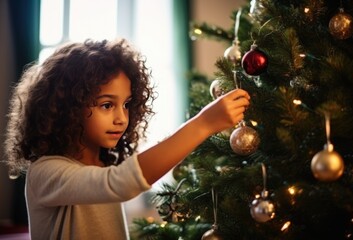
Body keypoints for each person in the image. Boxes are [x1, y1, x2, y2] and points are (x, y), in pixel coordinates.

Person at [4, 38, 250, 239]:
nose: (122, 118)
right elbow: (120, 183)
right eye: (107, 105)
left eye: (127, 104)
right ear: (68, 107)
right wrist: (204, 123)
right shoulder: (46, 172)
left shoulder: (104, 163)